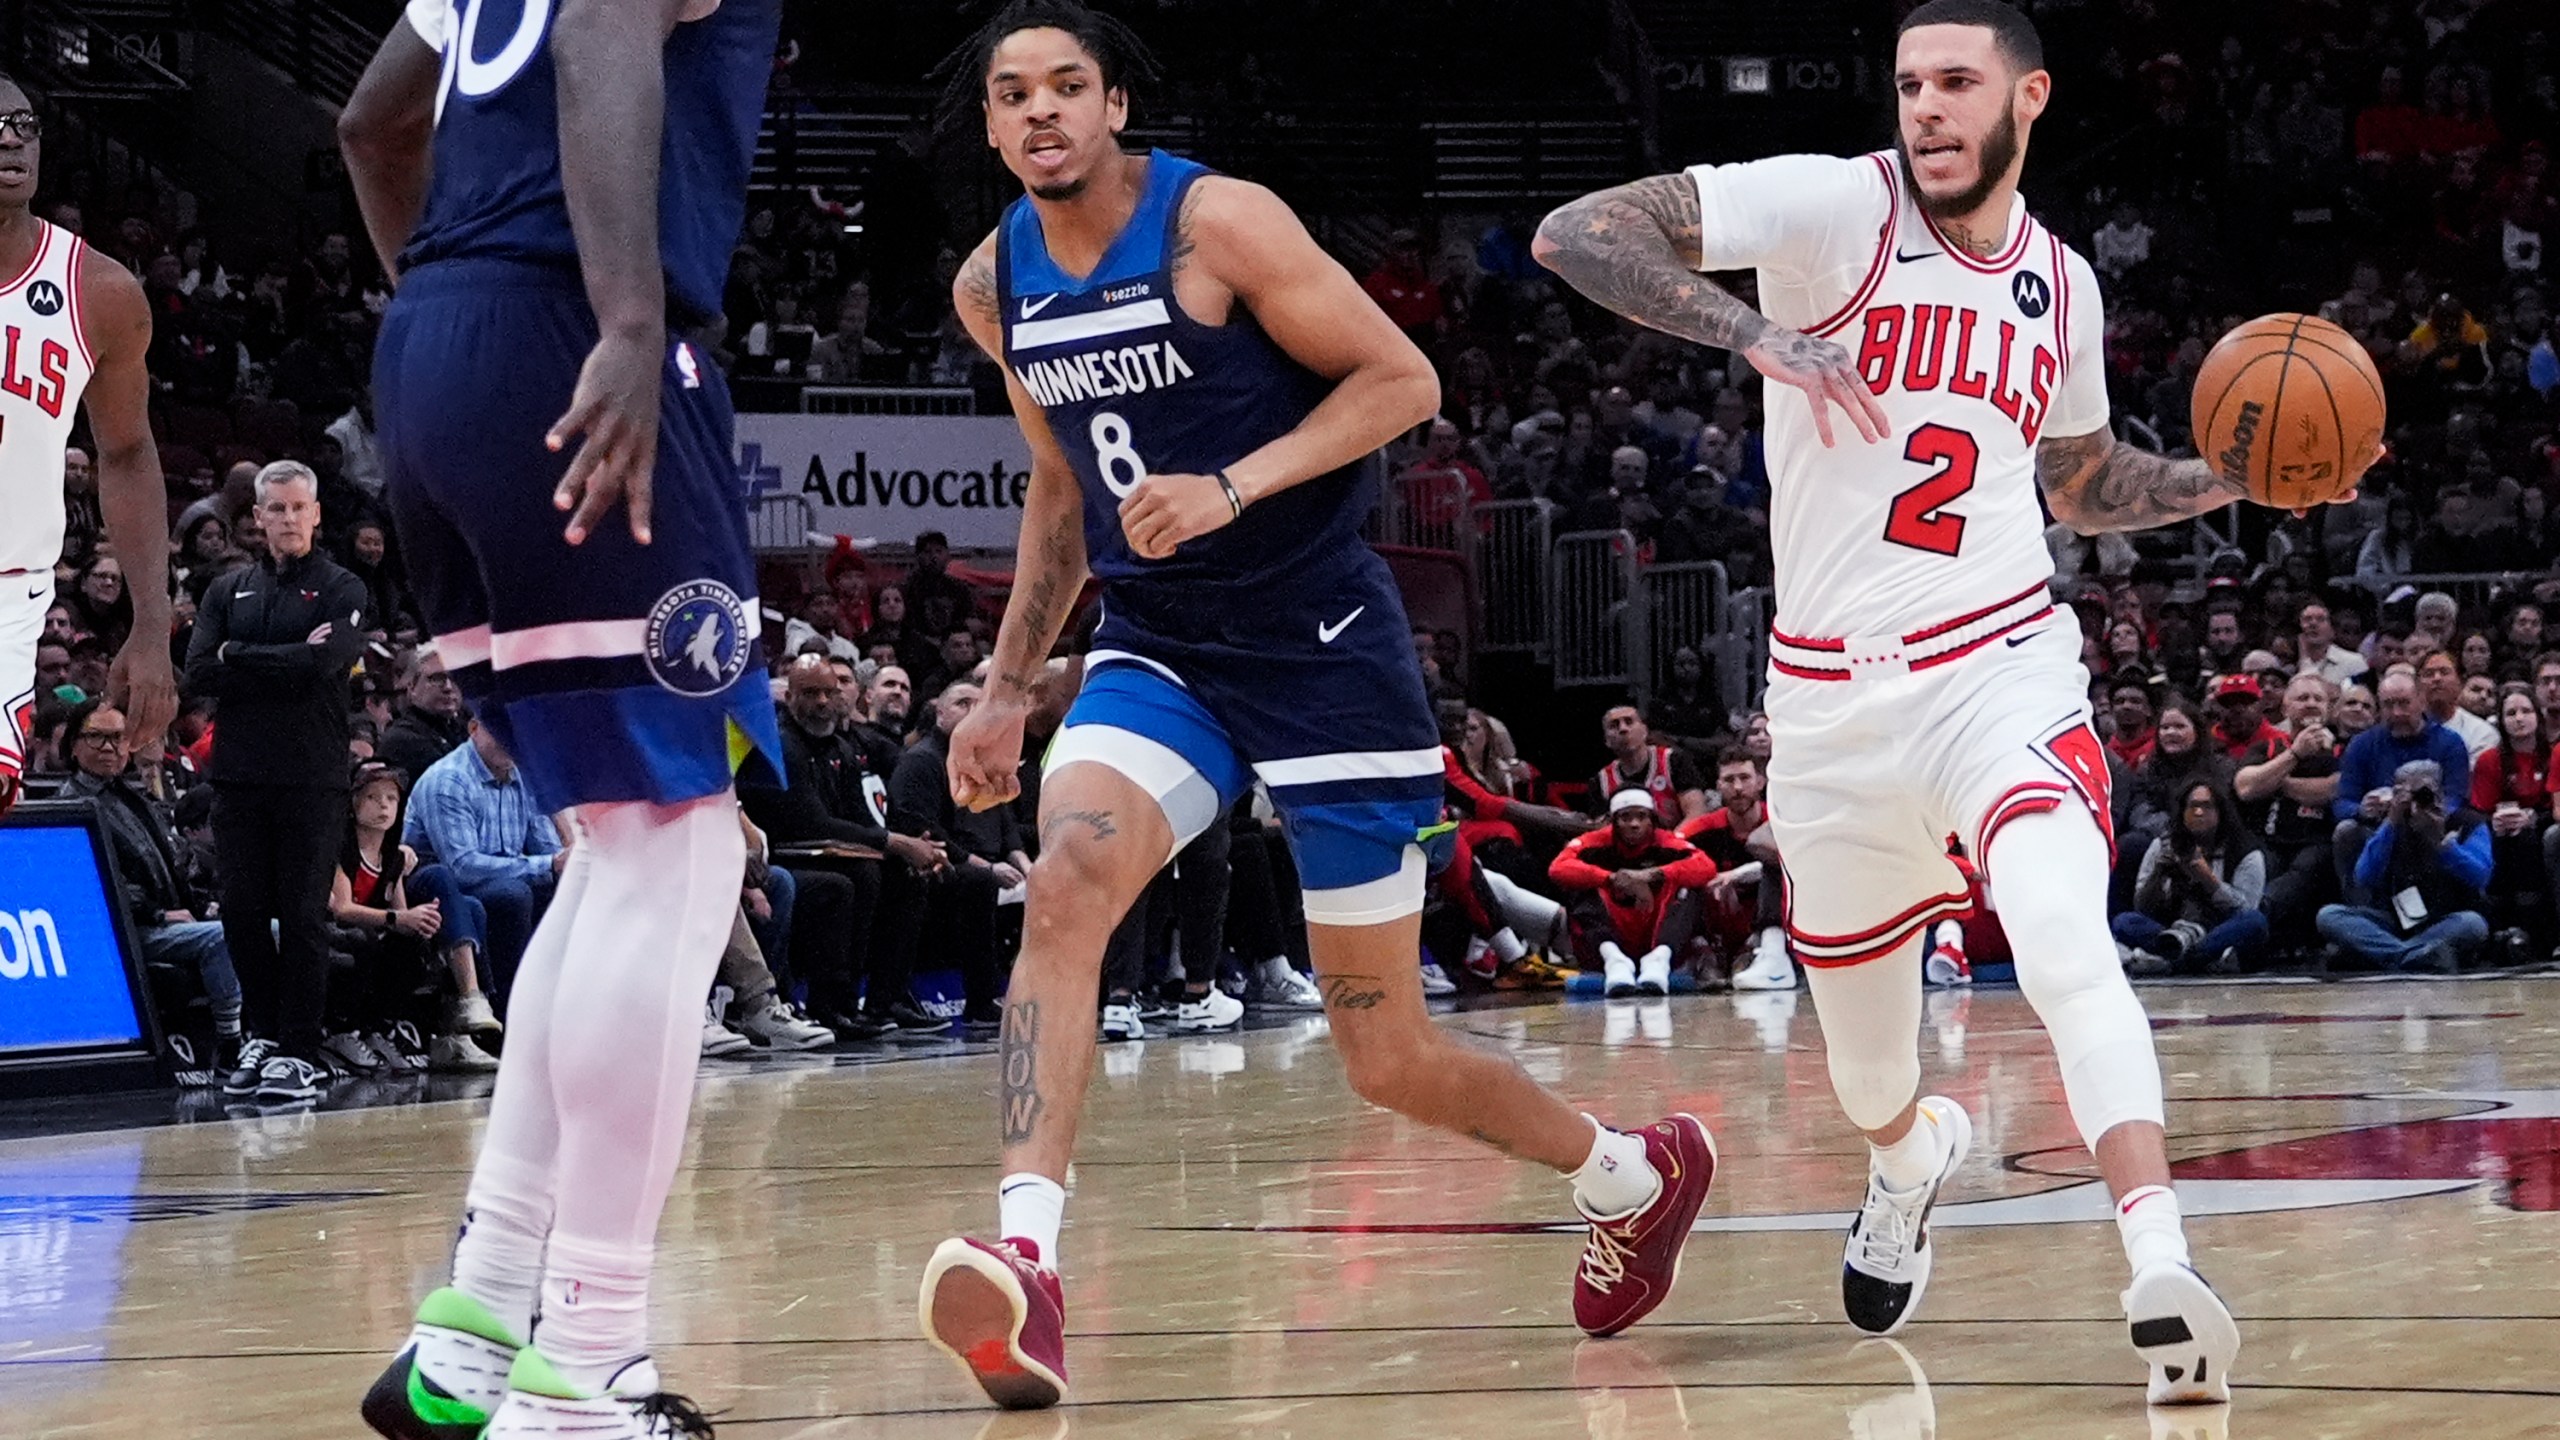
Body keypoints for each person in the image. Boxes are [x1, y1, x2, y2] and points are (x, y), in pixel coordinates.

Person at [1531, 0, 2377, 1401]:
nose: (1926, 105)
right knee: (1870, 1075)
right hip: (1825, 714)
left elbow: (2086, 488)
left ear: (2025, 98)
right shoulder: (1827, 208)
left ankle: (2161, 1266)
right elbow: (1579, 233)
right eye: (1911, 82)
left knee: (2058, 935)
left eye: (1956, 82)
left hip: (2000, 669)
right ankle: (1907, 1155)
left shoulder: (2062, 285)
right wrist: (1760, 335)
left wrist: (2240, 476)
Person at [917, 3, 1715, 1411]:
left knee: (1384, 1055)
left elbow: (1401, 381)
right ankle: (1028, 1261)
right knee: (1064, 892)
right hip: (1159, 647)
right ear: (990, 124)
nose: (1040, 112)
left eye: (1067, 87)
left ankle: (1631, 1177)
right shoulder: (998, 285)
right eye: (1012, 94)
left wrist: (1231, 484)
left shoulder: (1217, 225)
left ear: (1114, 107)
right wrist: (1003, 685)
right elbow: (1059, 485)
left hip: (1325, 645)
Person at [342, 0, 786, 1430]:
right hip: (571, 327)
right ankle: (590, 1360)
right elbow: (601, 17)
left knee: (609, 844)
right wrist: (627, 321)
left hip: (437, 341)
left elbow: (373, 122)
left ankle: (476, 1326)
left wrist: (456, 313)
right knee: (678, 844)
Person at [0, 75, 177, 825]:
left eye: (23, 123)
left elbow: (129, 453)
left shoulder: (99, 289)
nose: (9, 138)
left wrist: (151, 622)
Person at [184, 461, 370, 1104]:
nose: (288, 519)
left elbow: (326, 665)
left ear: (316, 514)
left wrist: (243, 655)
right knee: (239, 911)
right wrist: (280, 657)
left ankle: (299, 1048)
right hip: (237, 775)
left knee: (302, 915)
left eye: (298, 508)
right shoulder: (225, 589)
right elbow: (200, 672)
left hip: (312, 777)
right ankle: (262, 1035)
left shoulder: (344, 586)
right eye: (276, 509)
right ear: (256, 518)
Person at [58, 698, 244, 1082]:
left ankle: (270, 1039)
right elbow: (92, 886)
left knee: (266, 929)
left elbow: (177, 864)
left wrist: (204, 903)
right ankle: (231, 1045)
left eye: (118, 737)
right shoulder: (70, 804)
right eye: (96, 737)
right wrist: (158, 913)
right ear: (73, 745)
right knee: (223, 939)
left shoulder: (131, 796)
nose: (109, 747)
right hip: (126, 933)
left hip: (167, 922)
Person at [328, 759, 500, 1074]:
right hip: (340, 931)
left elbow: (403, 914)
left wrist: (423, 924)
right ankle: (346, 1031)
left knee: (441, 926)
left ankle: (450, 1027)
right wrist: (400, 920)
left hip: (375, 934)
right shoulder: (341, 847)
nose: (383, 806)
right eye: (372, 797)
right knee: (367, 939)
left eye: (391, 799)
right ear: (353, 804)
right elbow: (343, 908)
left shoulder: (393, 857)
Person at [2317, 760, 2491, 972]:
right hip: (2395, 921)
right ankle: (2415, 957)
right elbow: (2363, 877)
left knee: (2473, 924)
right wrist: (2391, 823)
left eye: (2425, 792)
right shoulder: (2391, 823)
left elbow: (2481, 876)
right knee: (2329, 915)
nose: (2418, 801)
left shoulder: (2467, 821)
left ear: (2440, 792)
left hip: (2444, 920)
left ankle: (2389, 956)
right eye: (2408, 793)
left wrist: (2443, 844)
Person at [1551, 791, 1720, 995]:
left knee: (1690, 886)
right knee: (1578, 885)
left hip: (1658, 932)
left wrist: (1653, 874)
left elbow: (1706, 866)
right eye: (1625, 817)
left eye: (1641, 816)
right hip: (1608, 938)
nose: (1634, 824)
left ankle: (1659, 959)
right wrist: (1612, 879)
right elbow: (1558, 868)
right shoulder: (1593, 842)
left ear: (1652, 820)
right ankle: (1614, 960)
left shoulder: (1666, 842)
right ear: (1614, 821)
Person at [2332, 672, 2476, 904]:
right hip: (2380, 829)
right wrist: (2362, 809)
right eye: (2389, 705)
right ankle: (2359, 908)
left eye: (2404, 703)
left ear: (2421, 700)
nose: (2397, 713)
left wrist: (2426, 810)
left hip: (2432, 828)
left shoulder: (2449, 742)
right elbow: (2341, 803)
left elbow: (2457, 797)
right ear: (2379, 707)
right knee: (2346, 830)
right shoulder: (2362, 745)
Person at [2115, 780, 2269, 975]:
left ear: (2221, 811)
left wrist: (2209, 880)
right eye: (2193, 806)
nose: (2198, 813)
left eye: (2207, 806)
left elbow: (2246, 908)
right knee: (2124, 921)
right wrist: (2158, 874)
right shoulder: (2163, 845)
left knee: (2255, 922)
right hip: (2169, 931)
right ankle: (2188, 959)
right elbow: (2141, 907)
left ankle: (2178, 959)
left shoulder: (2245, 852)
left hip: (2216, 931)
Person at [2471, 689, 2549, 940]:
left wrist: (2534, 818)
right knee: (2500, 841)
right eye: (2511, 713)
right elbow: (2480, 809)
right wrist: (2494, 821)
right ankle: (2499, 931)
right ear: (2501, 720)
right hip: (2501, 831)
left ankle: (2534, 930)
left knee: (2529, 840)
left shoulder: (2553, 756)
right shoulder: (2489, 760)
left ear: (2538, 716)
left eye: (2526, 711)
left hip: (2540, 828)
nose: (2519, 718)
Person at [1591, 703, 1711, 823]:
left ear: (1645, 731)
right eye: (1614, 725)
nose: (1623, 729)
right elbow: (1602, 828)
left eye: (1629, 722)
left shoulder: (1674, 761)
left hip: (1676, 838)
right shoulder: (1601, 781)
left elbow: (1696, 813)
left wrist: (1671, 841)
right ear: (1606, 740)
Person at [2417, 648, 2498, 762]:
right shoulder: (2404, 729)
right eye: (2429, 674)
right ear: (2418, 684)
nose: (2437, 678)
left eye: (2444, 672)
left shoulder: (2481, 733)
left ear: (2459, 682)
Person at [2294, 600, 2366, 690]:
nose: (2313, 624)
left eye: (2321, 619)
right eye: (2307, 619)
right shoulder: (2289, 662)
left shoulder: (2354, 662)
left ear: (2332, 630)